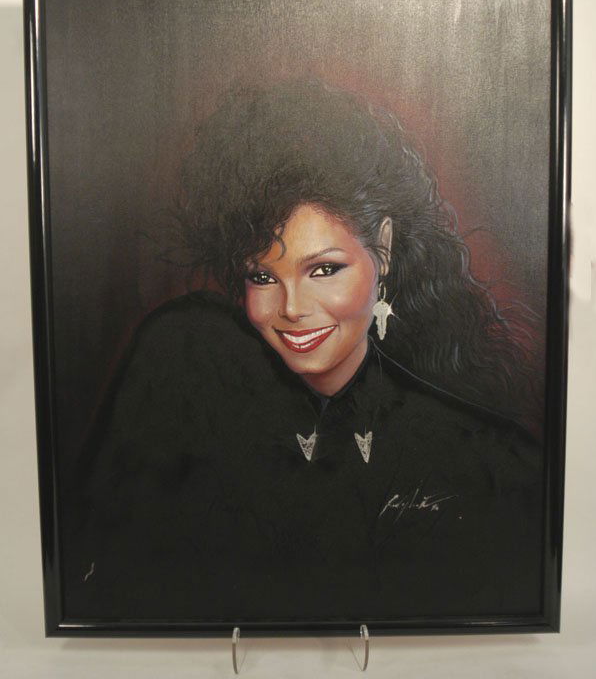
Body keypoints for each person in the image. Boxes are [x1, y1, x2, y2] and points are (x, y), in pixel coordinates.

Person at [65, 80, 543, 625]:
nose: (292, 308)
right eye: (263, 277)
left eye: (324, 269)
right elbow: (98, 579)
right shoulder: (184, 364)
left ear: (383, 248)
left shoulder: (487, 461)